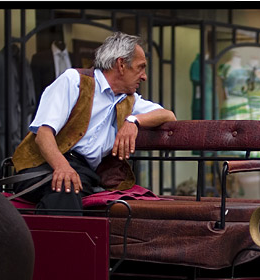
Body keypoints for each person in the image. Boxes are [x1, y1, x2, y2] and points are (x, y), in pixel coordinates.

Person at [10, 32, 176, 213]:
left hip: (84, 173)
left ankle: (43, 238)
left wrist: (133, 121)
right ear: (121, 65)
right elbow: (43, 135)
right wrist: (62, 166)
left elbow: (168, 116)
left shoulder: (129, 100)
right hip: (40, 165)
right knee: (66, 189)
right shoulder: (73, 81)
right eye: (140, 67)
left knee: (69, 189)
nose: (144, 76)